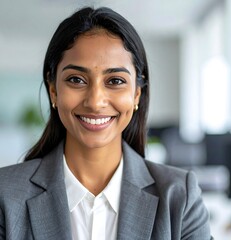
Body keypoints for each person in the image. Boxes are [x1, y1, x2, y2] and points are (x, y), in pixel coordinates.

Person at [0, 6, 213, 240]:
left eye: (115, 80)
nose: (95, 102)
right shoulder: (6, 196)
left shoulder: (179, 197)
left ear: (136, 95)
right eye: (76, 79)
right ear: (53, 91)